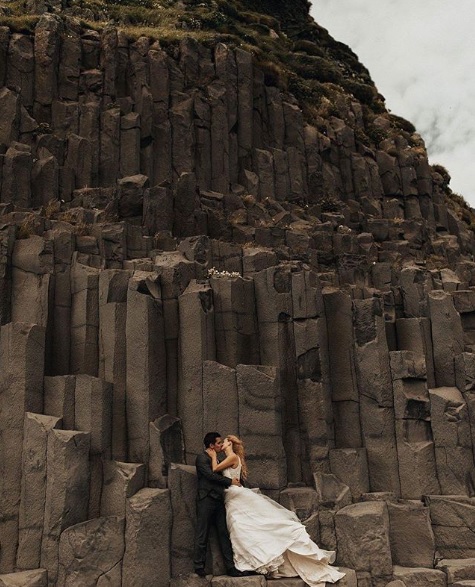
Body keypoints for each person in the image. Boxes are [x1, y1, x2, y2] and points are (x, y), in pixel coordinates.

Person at [206, 435, 346, 586]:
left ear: (230, 444)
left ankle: (259, 559)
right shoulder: (230, 458)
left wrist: (213, 456)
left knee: (241, 525)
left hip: (236, 496)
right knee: (244, 526)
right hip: (232, 497)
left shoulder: (232, 457)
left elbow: (214, 469)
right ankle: (256, 560)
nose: (222, 445)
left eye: (224, 442)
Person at [194, 432, 256, 578]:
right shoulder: (201, 458)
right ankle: (198, 566)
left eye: (222, 442)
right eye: (218, 443)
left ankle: (231, 567)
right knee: (202, 533)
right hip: (206, 500)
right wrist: (230, 482)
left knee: (224, 534)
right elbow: (210, 475)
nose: (221, 445)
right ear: (211, 445)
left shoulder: (220, 458)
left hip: (219, 500)